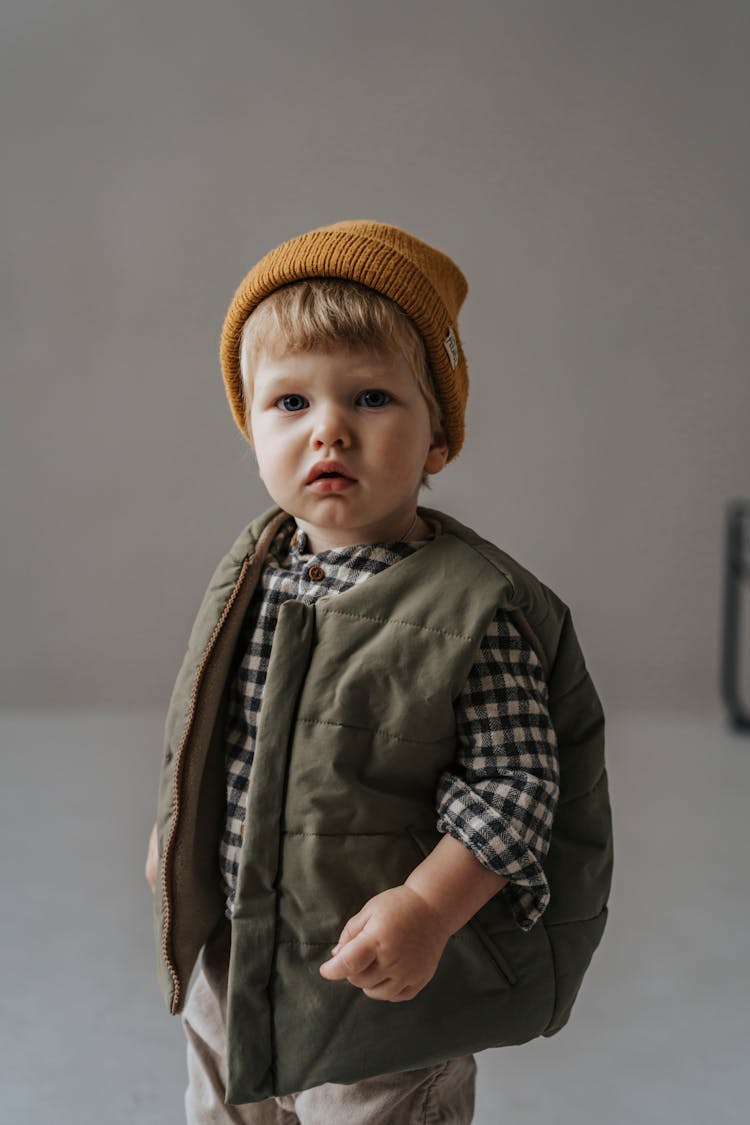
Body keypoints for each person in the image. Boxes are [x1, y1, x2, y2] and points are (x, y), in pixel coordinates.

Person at [145, 220, 612, 1124]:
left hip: (381, 990)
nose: (329, 430)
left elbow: (515, 787)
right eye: (289, 403)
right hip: (237, 960)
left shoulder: (471, 607)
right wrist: (177, 837)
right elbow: (217, 735)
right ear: (250, 426)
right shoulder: (259, 566)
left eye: (369, 398)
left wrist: (429, 910)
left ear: (437, 438)